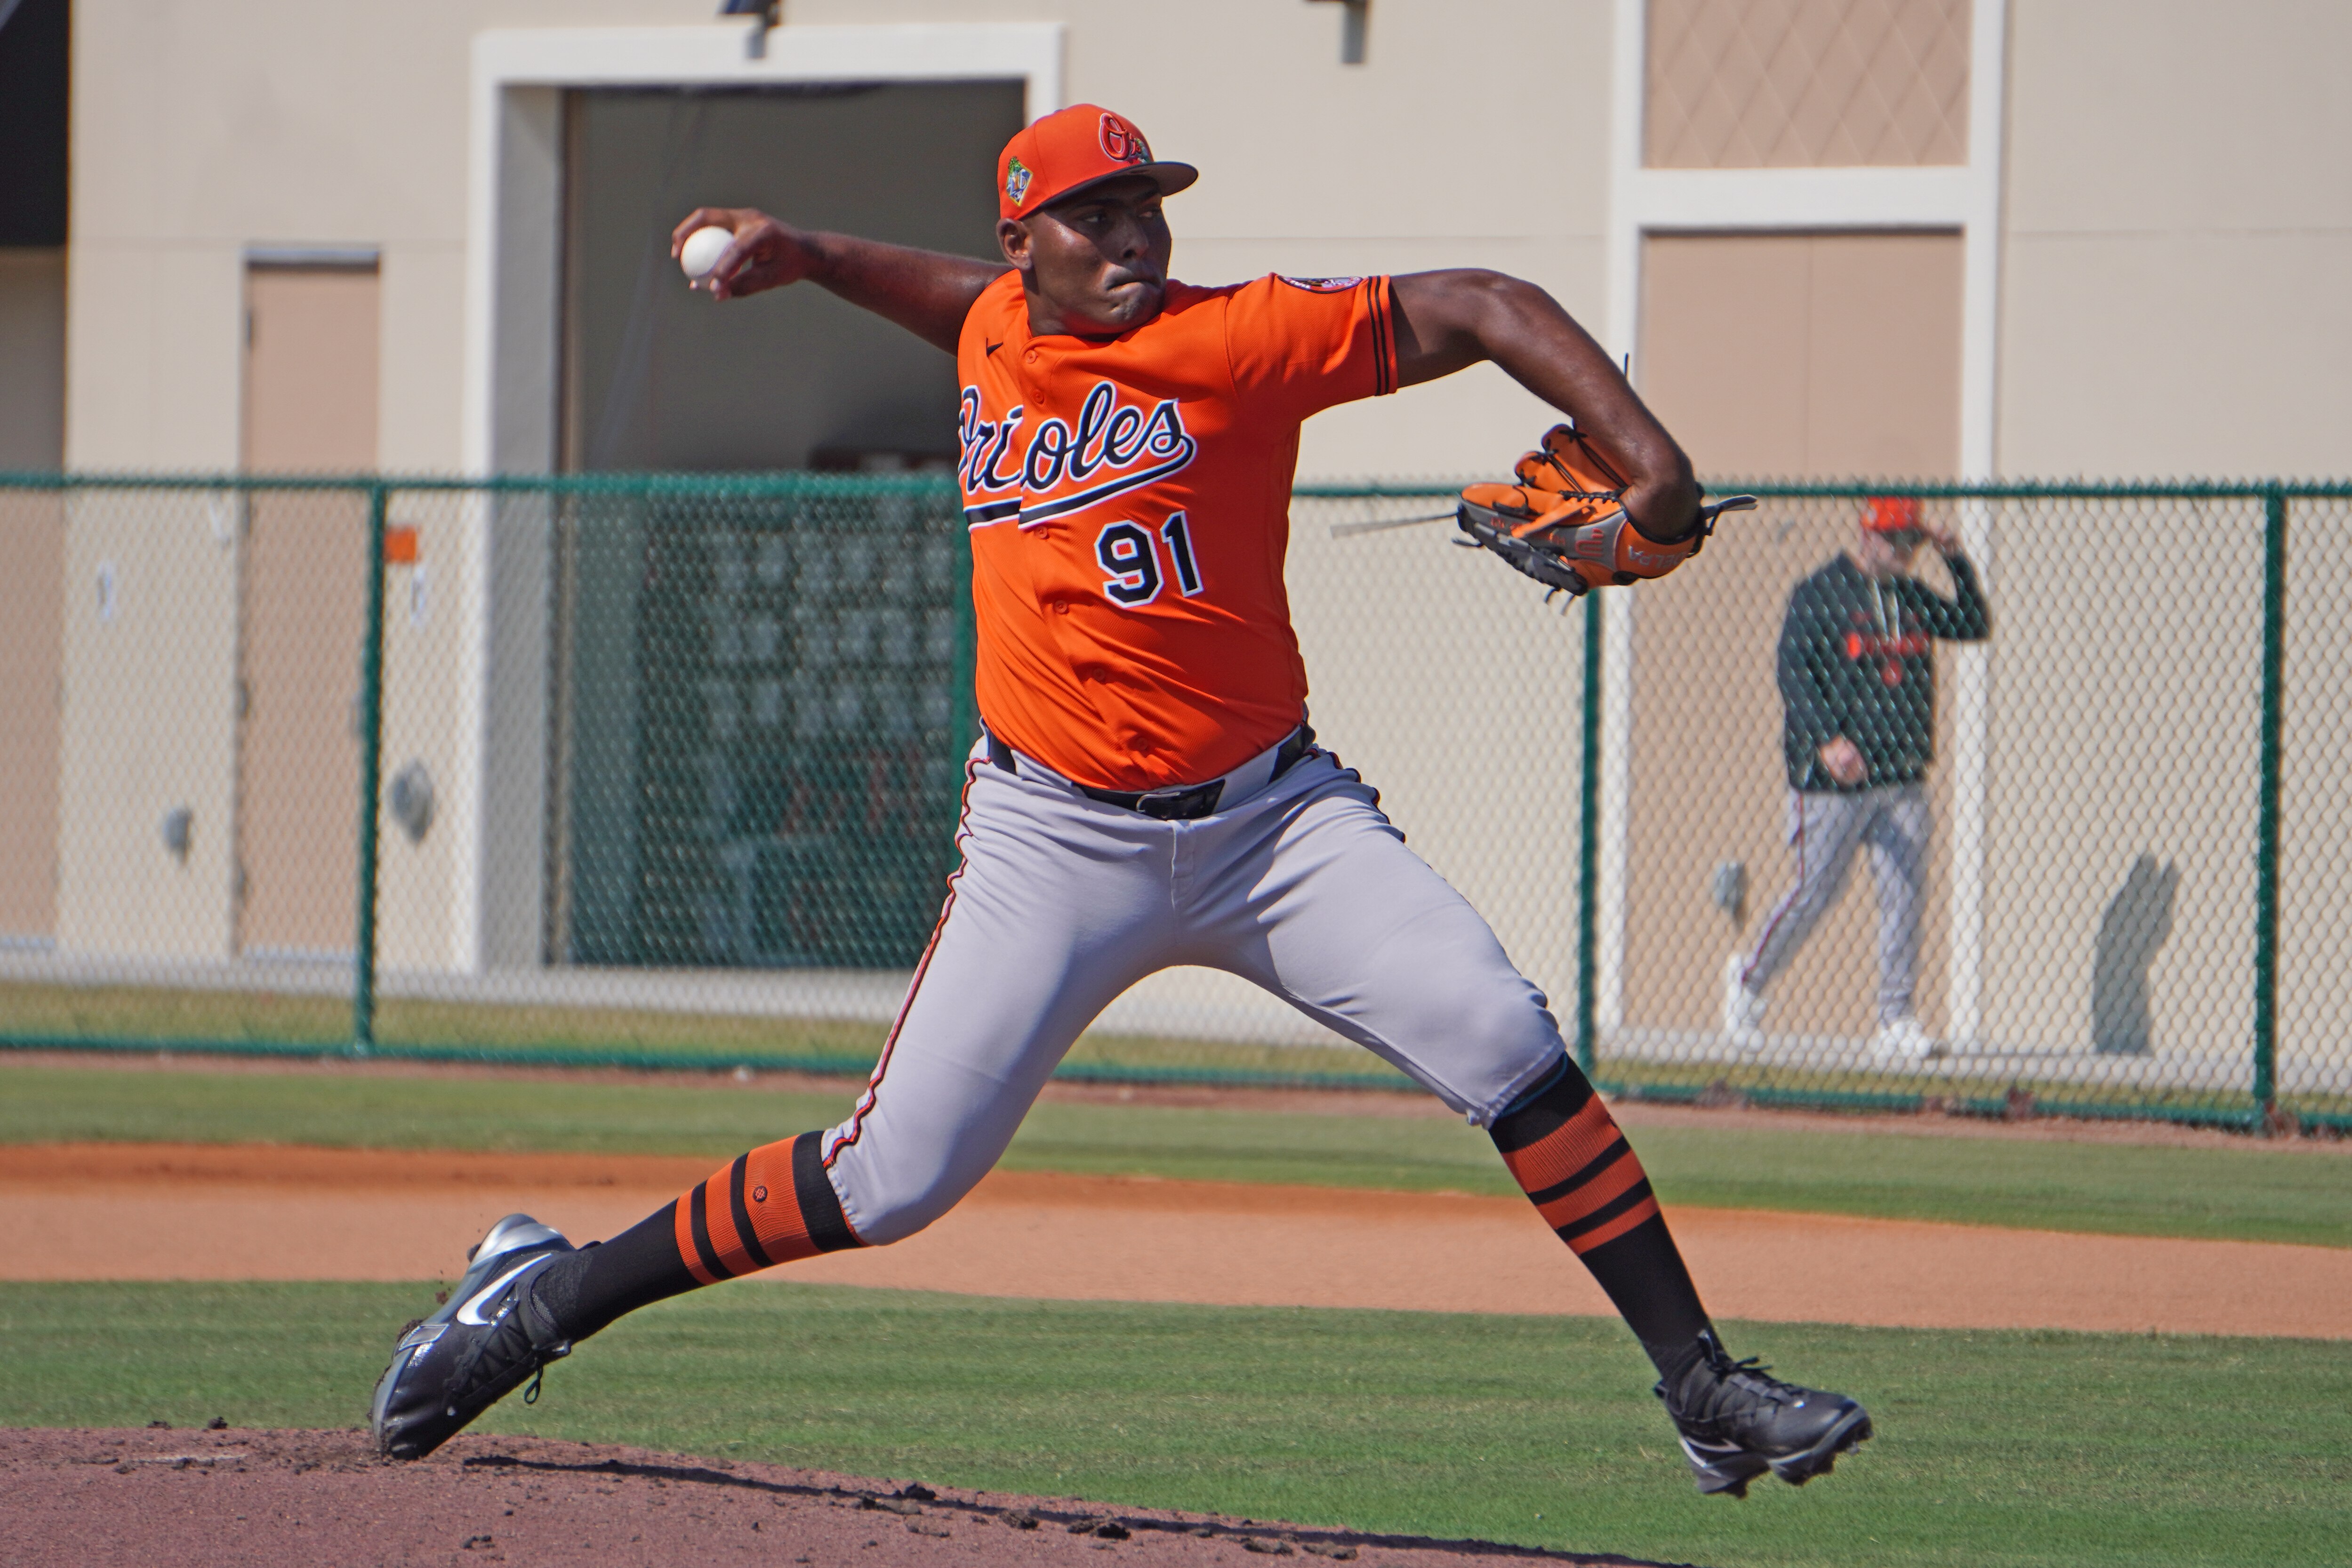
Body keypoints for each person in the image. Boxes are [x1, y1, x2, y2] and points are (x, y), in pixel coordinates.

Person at [371, 103, 1870, 1499]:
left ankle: (1701, 1388)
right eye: (1094, 217)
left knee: (1504, 1036)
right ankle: (543, 1295)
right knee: (890, 1181)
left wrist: (1656, 462)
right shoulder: (991, 328)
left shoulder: (1242, 341)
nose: (1135, 237)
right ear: (1025, 245)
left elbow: (1483, 302)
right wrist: (813, 254)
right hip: (1051, 839)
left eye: (1144, 206)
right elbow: (952, 295)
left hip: (1271, 828)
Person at [1721, 496, 1991, 1061]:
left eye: (1910, 542)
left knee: (1903, 895)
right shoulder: (1819, 593)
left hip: (1900, 775)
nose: (1903, 551)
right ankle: (1747, 982)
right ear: (1865, 535)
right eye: (1893, 540)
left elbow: (1971, 624)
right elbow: (1792, 673)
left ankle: (1895, 1019)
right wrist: (1826, 740)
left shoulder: (1911, 595)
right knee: (1814, 892)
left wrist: (1954, 559)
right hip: (1831, 784)